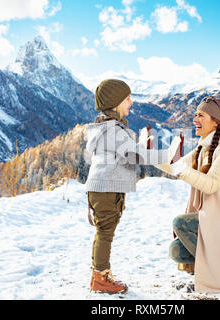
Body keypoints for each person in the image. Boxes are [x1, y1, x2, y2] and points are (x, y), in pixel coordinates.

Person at [154, 96, 220, 294]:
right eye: (195, 114)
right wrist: (145, 155)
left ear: (216, 121)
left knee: (181, 223)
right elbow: (174, 166)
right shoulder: (202, 149)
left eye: (201, 115)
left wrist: (182, 170)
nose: (195, 119)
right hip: (217, 220)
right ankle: (211, 272)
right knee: (176, 250)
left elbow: (211, 184)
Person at [85, 79, 181, 294]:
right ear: (116, 102)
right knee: (105, 233)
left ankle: (100, 274)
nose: (131, 102)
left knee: (104, 232)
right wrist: (168, 155)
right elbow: (132, 156)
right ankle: (100, 278)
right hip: (106, 189)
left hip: (103, 188)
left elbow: (125, 153)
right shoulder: (113, 130)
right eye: (127, 98)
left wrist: (141, 146)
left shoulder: (108, 128)